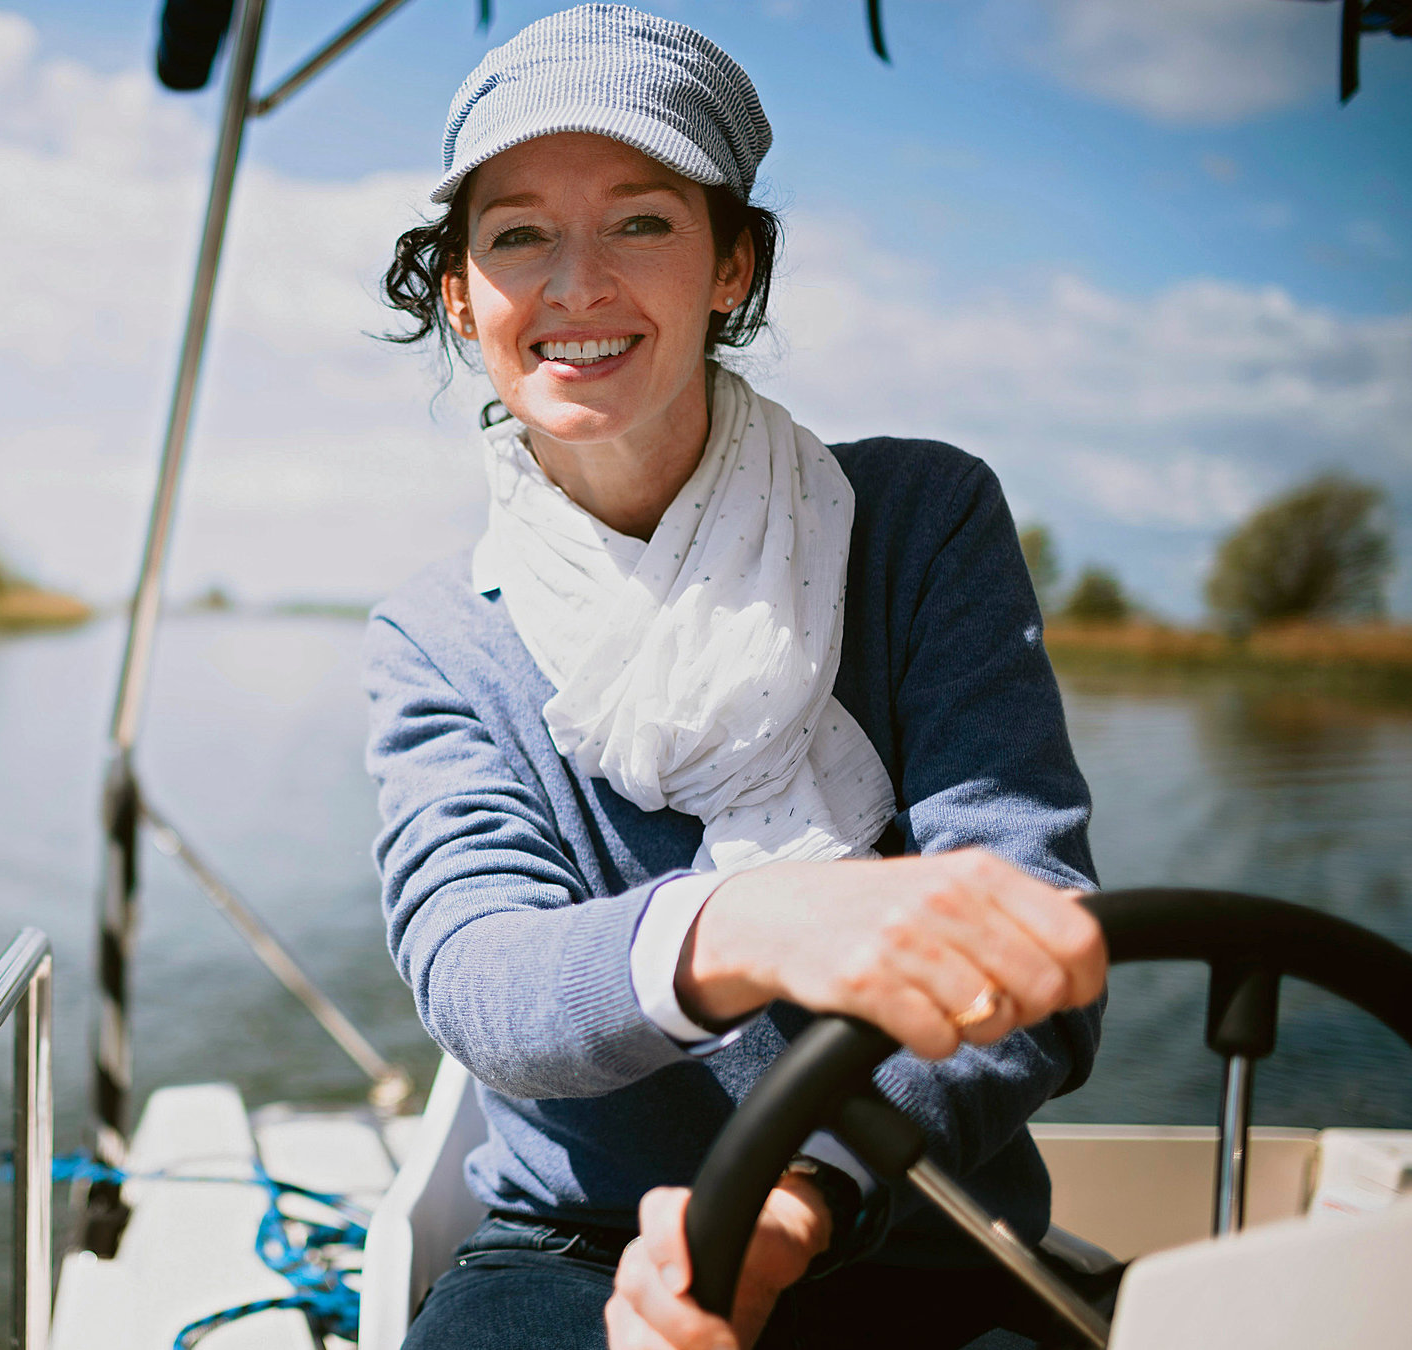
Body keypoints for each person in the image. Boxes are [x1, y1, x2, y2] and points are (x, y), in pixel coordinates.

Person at [361, 7, 1110, 1348]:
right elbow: (478, 977)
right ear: (461, 292)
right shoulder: (434, 635)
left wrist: (804, 1191)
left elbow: (1036, 936)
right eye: (519, 232)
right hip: (580, 1242)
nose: (577, 283)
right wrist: (753, 921)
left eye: (642, 221)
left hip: (915, 1208)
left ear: (732, 262)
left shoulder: (922, 519)